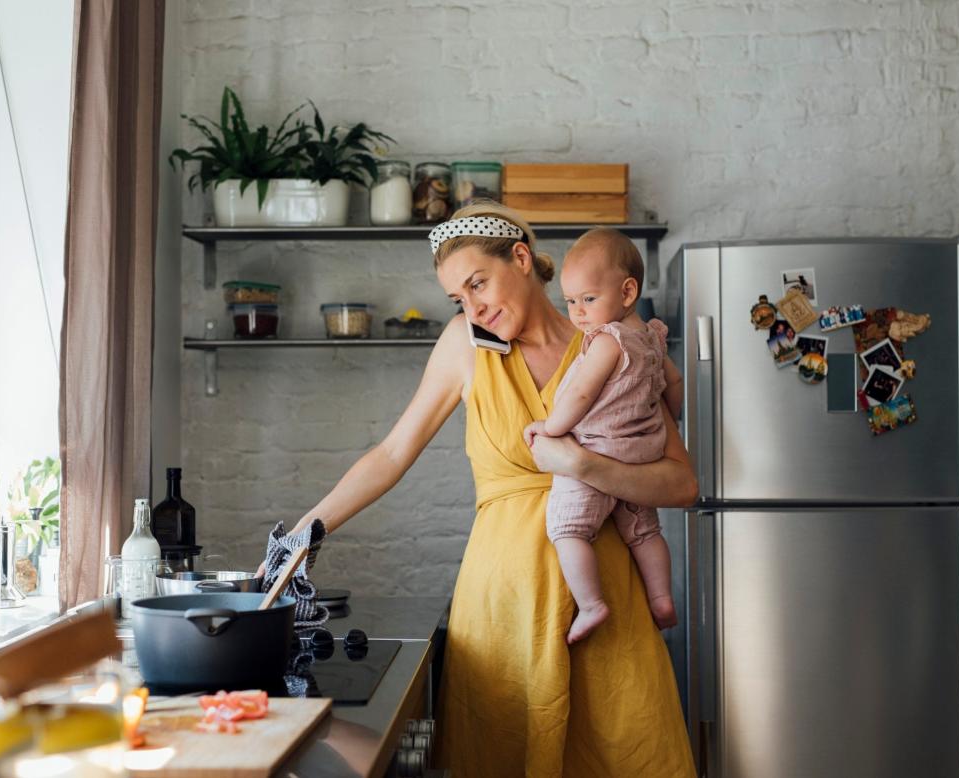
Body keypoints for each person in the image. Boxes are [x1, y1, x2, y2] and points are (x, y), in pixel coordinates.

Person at [277, 202, 697, 776]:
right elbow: (393, 453)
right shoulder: (465, 345)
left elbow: (682, 482)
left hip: (608, 609)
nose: (473, 307)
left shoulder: (615, 343)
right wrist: (305, 531)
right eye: (459, 297)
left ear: (521, 258)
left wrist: (582, 465)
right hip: (505, 609)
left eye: (479, 283)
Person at [523, 228, 683, 643]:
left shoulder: (606, 341)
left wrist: (551, 428)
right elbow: (675, 383)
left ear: (627, 292)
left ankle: (591, 604)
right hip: (641, 457)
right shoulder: (652, 337)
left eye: (588, 299)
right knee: (645, 532)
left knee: (567, 530)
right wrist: (674, 419)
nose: (577, 312)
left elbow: (580, 393)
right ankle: (662, 597)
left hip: (595, 451)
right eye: (570, 301)